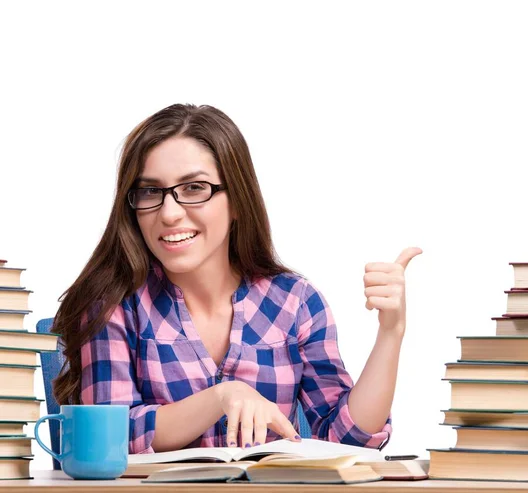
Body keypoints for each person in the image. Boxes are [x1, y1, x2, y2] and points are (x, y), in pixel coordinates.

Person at [51, 103, 422, 454]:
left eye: (194, 188)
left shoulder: (295, 302)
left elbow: (346, 440)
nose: (169, 213)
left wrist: (391, 333)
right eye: (150, 191)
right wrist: (221, 397)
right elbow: (108, 438)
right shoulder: (112, 302)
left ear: (237, 201)